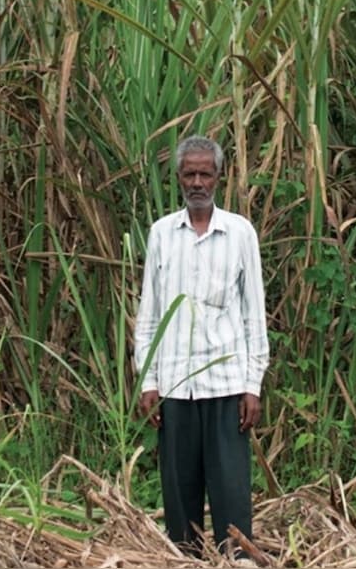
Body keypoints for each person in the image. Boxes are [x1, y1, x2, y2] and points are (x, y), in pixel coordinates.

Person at [133, 135, 270, 559]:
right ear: (178, 177)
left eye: (204, 173)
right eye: (189, 173)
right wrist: (148, 380)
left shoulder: (240, 233)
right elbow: (149, 313)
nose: (197, 182)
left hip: (227, 384)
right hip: (175, 384)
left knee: (231, 489)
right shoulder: (161, 234)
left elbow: (254, 314)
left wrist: (253, 384)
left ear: (218, 177)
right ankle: (185, 559)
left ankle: (238, 560)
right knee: (179, 492)